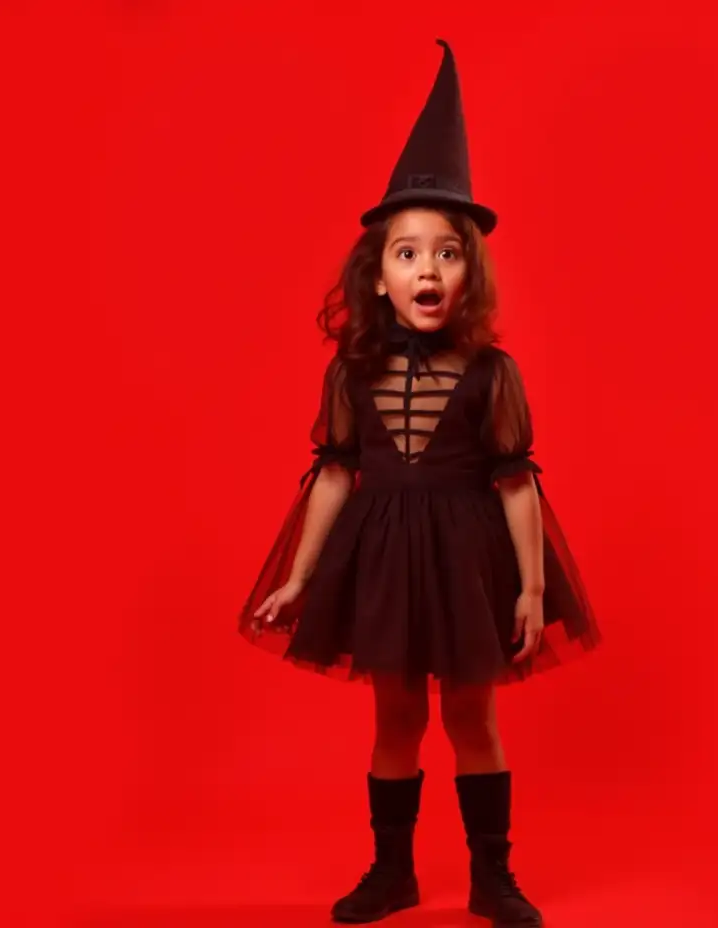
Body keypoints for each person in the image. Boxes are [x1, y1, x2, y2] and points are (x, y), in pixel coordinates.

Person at [238, 39, 600, 928]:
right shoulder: (351, 370)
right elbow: (333, 473)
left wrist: (531, 585)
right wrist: (299, 572)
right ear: (380, 275)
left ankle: (493, 880)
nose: (427, 269)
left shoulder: (492, 373)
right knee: (396, 718)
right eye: (407, 254)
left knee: (471, 716)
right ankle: (391, 871)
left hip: (469, 557)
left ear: (468, 271)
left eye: (446, 253)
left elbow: (517, 483)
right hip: (384, 555)